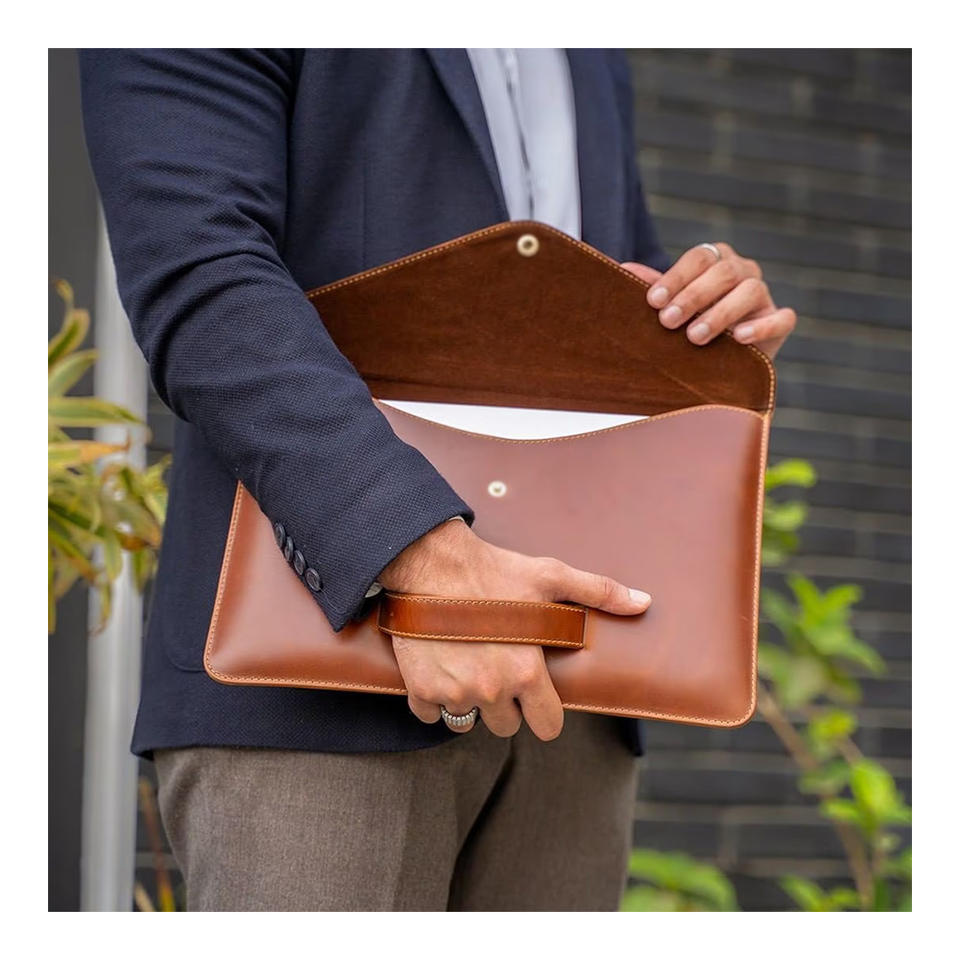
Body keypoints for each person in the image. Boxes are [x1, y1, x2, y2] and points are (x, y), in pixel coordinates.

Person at [79, 48, 796, 912]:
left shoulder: (593, 51)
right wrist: (417, 556)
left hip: (579, 691)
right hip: (317, 680)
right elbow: (201, 272)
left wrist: (698, 316)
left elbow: (603, 282)